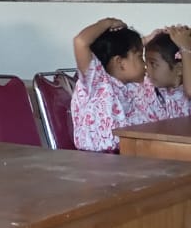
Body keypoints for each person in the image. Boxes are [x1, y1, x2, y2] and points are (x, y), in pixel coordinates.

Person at [70, 17, 156, 152]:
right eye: (140, 57)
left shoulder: (131, 86)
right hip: (96, 162)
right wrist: (108, 23)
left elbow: (128, 52)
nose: (144, 64)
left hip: (127, 157)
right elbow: (80, 42)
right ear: (120, 62)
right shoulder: (97, 82)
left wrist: (150, 40)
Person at [145, 27, 191, 120]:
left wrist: (185, 50)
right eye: (146, 64)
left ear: (180, 69)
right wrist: (144, 40)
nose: (147, 71)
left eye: (153, 64)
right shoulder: (150, 89)